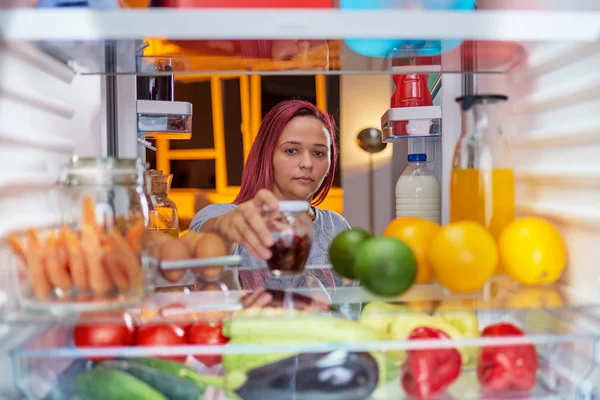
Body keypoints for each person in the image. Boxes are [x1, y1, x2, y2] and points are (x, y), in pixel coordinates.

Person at [189, 99, 350, 291]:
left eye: (318, 153)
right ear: (266, 155)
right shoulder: (223, 215)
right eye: (291, 150)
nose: (307, 163)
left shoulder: (337, 226)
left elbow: (350, 307)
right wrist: (223, 229)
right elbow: (205, 239)